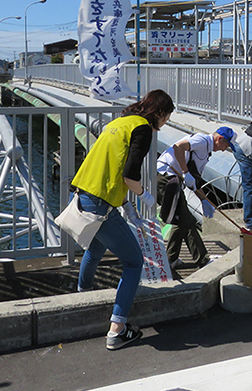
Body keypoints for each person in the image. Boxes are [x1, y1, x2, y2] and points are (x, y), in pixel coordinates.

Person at [71, 89, 175, 351]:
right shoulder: (142, 128)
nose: (164, 124)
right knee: (134, 262)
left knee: (94, 249)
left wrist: (128, 205)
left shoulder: (118, 122)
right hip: (100, 205)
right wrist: (145, 195)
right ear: (160, 113)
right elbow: (130, 175)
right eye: (166, 117)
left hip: (85, 195)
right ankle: (117, 331)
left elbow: (112, 170)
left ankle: (82, 298)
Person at [156, 126, 236, 268]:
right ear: (220, 139)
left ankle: (170, 260)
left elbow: (195, 182)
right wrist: (185, 172)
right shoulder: (202, 140)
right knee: (187, 220)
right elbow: (178, 147)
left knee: (181, 220)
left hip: (173, 181)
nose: (224, 150)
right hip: (165, 178)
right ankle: (202, 260)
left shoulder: (206, 153)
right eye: (226, 145)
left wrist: (204, 200)